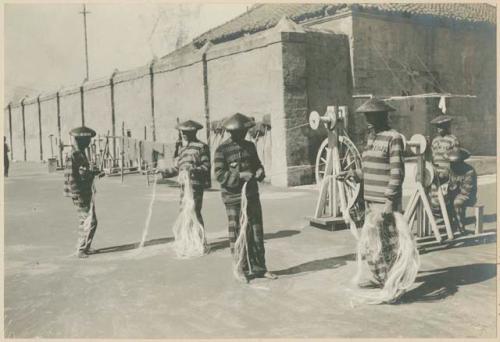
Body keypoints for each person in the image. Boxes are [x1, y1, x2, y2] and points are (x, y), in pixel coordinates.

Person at [338, 99, 406, 288]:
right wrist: (353, 174)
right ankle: (381, 279)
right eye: (366, 116)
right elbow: (367, 170)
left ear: (383, 116)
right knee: (372, 244)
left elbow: (397, 172)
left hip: (384, 202)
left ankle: (394, 284)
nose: (368, 120)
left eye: (372, 116)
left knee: (389, 243)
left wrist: (390, 201)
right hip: (370, 201)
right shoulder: (371, 138)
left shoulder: (394, 138)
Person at [214, 113, 276, 283]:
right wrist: (240, 175)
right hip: (233, 198)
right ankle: (240, 268)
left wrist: (259, 172)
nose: (243, 135)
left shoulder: (250, 146)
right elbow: (219, 175)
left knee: (256, 231)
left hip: (251, 195)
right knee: (237, 234)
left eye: (244, 132)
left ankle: (259, 268)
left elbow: (258, 165)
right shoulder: (222, 150)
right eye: (239, 132)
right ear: (231, 132)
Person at [158, 120, 211, 227]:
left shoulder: (201, 147)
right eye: (182, 132)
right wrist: (163, 172)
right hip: (183, 187)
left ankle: (199, 241)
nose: (183, 134)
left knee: (194, 212)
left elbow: (206, 166)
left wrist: (192, 169)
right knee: (184, 212)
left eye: (186, 132)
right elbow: (178, 168)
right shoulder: (183, 149)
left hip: (195, 186)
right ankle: (187, 240)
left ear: (194, 133)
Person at [64, 126, 103, 258]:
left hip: (83, 191)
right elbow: (77, 176)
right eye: (87, 140)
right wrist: (77, 193)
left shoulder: (78, 153)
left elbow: (83, 172)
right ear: (80, 140)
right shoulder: (76, 154)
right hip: (80, 193)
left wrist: (94, 172)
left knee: (87, 220)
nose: (89, 142)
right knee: (89, 221)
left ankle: (85, 246)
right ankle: (81, 249)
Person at [446, 147, 477, 233]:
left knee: (457, 202)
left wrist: (453, 190)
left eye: (454, 163)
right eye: (451, 162)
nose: (452, 164)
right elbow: (444, 177)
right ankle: (451, 227)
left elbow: (466, 190)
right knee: (444, 202)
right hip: (455, 194)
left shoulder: (469, 171)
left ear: (460, 162)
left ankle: (461, 228)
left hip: (468, 196)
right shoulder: (451, 169)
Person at [430, 114, 459, 181]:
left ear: (446, 126)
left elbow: (456, 160)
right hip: (435, 174)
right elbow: (432, 158)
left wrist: (447, 171)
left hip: (447, 175)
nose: (438, 128)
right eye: (437, 126)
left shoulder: (453, 140)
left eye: (441, 126)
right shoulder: (435, 140)